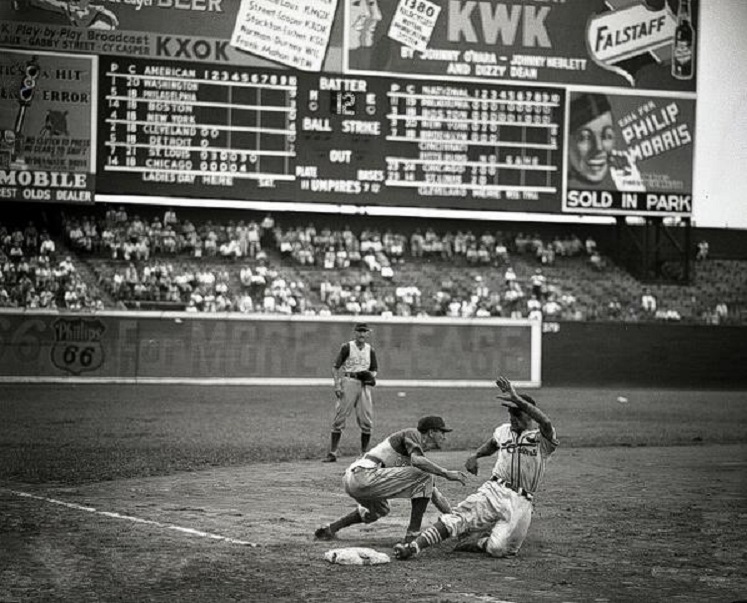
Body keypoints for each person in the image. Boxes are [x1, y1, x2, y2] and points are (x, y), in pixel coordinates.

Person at [393, 376, 558, 560]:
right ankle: (412, 548)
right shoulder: (503, 431)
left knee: (500, 550)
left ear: (529, 415)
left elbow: (545, 422)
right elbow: (492, 445)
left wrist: (517, 398)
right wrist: (476, 456)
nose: (512, 417)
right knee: (458, 518)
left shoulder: (542, 438)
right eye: (511, 413)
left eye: (517, 413)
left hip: (521, 503)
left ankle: (481, 540)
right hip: (495, 490)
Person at [314, 415, 469, 544]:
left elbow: (434, 495)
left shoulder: (416, 455)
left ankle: (331, 528)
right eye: (442, 432)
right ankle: (412, 535)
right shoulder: (412, 434)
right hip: (363, 475)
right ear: (431, 432)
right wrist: (446, 473)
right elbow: (419, 463)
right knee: (426, 476)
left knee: (380, 510)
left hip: (357, 480)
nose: (444, 437)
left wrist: (457, 520)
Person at [323, 323, 379, 462]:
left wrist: (370, 376)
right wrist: (337, 385)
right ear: (355, 333)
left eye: (364, 331)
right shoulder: (347, 347)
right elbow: (336, 367)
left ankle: (364, 453)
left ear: (368, 334)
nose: (361, 334)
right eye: (359, 331)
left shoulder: (370, 350)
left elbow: (374, 369)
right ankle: (333, 452)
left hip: (364, 385)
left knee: (366, 420)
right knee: (340, 417)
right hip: (349, 381)